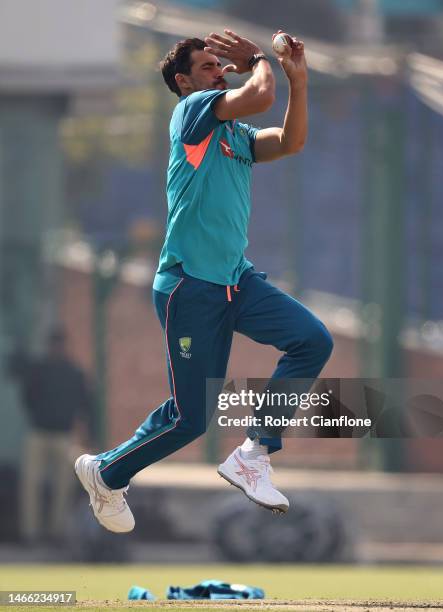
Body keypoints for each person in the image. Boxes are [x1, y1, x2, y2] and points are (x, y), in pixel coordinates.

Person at [75, 29, 333, 533]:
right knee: (190, 419)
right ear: (184, 81)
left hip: (235, 280)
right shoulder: (192, 112)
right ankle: (106, 471)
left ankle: (255, 451)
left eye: (221, 65)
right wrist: (260, 59)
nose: (220, 71)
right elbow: (258, 94)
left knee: (311, 340)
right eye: (209, 67)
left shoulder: (232, 134)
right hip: (189, 286)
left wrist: (297, 81)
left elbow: (290, 141)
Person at [10, 328, 93, 543]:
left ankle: (55, 532)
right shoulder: (39, 370)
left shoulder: (74, 373)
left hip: (62, 435)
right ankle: (30, 533)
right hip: (38, 432)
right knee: (31, 484)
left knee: (62, 487)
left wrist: (86, 435)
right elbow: (27, 397)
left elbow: (85, 404)